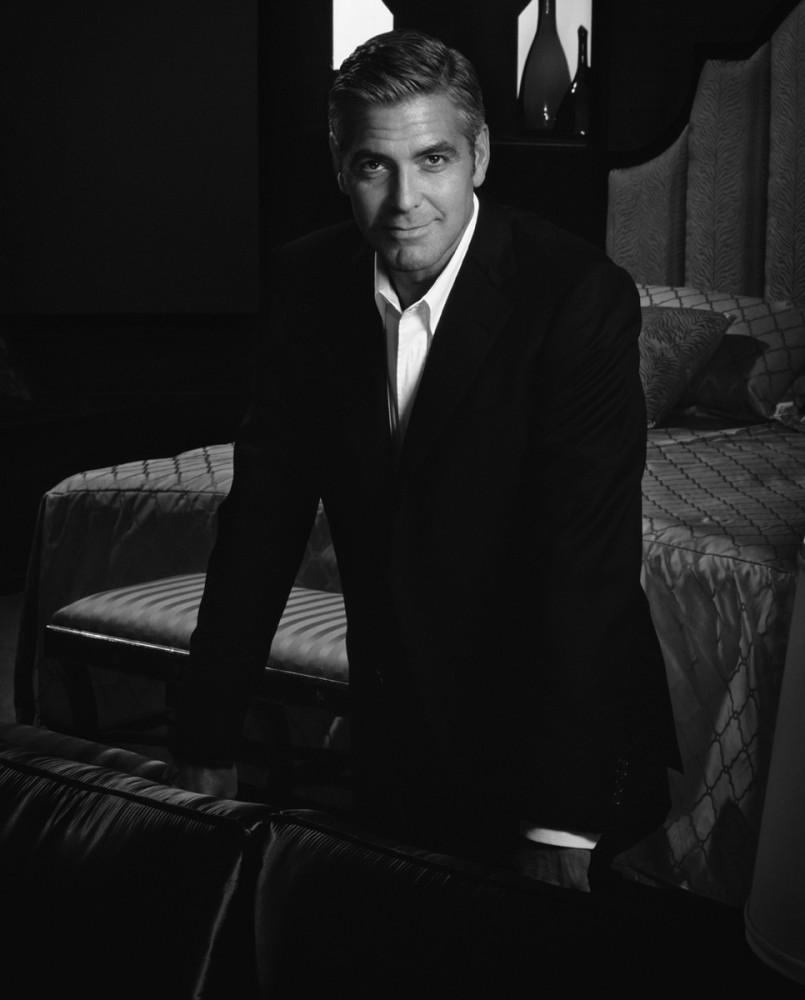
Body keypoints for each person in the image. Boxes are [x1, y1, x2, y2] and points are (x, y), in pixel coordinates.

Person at [169, 29, 679, 889]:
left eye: (433, 159)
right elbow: (260, 520)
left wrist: (560, 821)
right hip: (394, 715)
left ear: (478, 158)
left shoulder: (577, 298)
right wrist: (207, 731)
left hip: (553, 734)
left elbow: (583, 569)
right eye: (375, 165)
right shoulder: (307, 285)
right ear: (341, 169)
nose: (405, 200)